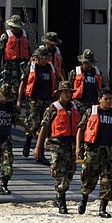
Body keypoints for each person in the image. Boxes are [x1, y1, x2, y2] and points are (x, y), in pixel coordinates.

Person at [76, 87, 112, 218]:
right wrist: (78, 147)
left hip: (108, 151)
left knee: (108, 180)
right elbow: (80, 129)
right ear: (99, 100)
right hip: (93, 149)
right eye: (106, 99)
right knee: (88, 177)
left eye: (110, 99)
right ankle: (84, 201)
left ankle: (102, 208)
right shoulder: (91, 112)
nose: (108, 101)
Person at [34, 80, 81, 214]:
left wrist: (79, 145)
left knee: (70, 172)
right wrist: (38, 147)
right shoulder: (52, 109)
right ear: (60, 93)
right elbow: (44, 128)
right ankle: (62, 201)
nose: (68, 94)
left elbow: (79, 128)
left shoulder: (75, 107)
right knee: (59, 172)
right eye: (66, 92)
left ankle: (59, 195)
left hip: (71, 144)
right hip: (57, 145)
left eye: (70, 92)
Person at [17, 46, 56, 164]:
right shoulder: (32, 67)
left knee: (45, 126)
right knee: (33, 124)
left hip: (46, 100)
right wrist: (19, 100)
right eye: (41, 58)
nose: (43, 60)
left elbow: (56, 82)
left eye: (45, 58)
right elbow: (23, 83)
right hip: (34, 100)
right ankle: (28, 140)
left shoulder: (50, 67)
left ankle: (40, 154)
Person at [0, 15, 31, 99]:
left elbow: (28, 51)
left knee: (23, 84)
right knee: (10, 87)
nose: (15, 28)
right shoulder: (5, 36)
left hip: (23, 65)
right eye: (13, 26)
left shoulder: (25, 34)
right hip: (10, 65)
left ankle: (20, 102)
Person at [69, 48, 103, 114]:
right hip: (80, 104)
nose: (89, 65)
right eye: (86, 63)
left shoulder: (97, 73)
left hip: (94, 103)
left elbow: (102, 87)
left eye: (90, 63)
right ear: (82, 62)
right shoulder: (75, 72)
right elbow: (69, 88)